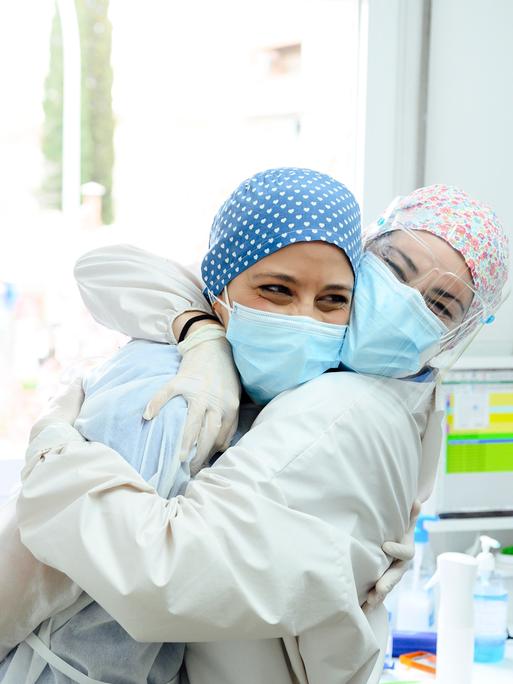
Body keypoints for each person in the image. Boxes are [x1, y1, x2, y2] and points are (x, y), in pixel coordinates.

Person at [6, 182, 510, 683]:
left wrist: (53, 448)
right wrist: (198, 330)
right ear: (365, 253)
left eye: (439, 307)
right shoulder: (223, 373)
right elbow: (107, 267)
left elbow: (163, 576)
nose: (403, 303)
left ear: (457, 333)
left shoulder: (340, 407)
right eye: (396, 270)